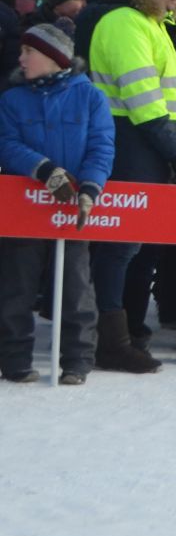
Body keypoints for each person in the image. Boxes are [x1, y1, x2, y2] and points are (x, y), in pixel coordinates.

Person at [87, 0, 176, 373]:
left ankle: (128, 330)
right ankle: (110, 339)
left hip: (150, 144)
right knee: (119, 246)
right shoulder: (124, 23)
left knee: (142, 246)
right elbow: (143, 98)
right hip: (131, 142)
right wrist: (175, 150)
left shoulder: (151, 24)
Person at [0, 25, 112, 384]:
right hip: (25, 206)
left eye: (28, 52)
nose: (21, 59)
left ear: (52, 57)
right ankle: (16, 359)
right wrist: (45, 169)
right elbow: (6, 144)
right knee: (17, 284)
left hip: (72, 210)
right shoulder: (12, 99)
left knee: (77, 284)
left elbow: (101, 146)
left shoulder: (91, 97)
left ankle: (77, 361)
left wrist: (90, 189)